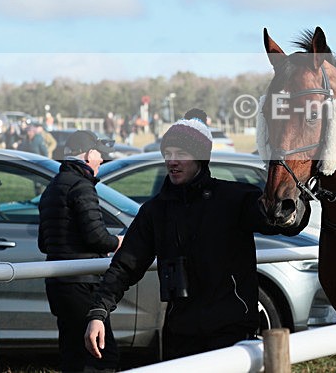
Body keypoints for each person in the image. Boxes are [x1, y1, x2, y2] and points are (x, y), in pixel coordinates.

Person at [84, 109, 311, 361]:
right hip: (179, 338)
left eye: (181, 154)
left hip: (232, 336)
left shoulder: (234, 199)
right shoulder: (155, 211)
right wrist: (98, 312)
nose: (173, 161)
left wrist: (296, 207)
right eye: (168, 154)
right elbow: (125, 265)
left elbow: (284, 223)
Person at [38, 130, 123, 373]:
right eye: (98, 155)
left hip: (58, 285)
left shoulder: (52, 187)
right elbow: (97, 238)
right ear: (87, 155)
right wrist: (119, 242)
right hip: (82, 285)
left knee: (72, 356)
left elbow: (44, 243)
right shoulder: (82, 187)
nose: (101, 161)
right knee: (103, 356)